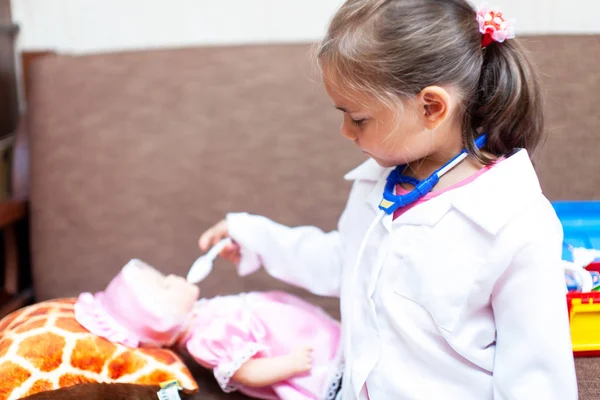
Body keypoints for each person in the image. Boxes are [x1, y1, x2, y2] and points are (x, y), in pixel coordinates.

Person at [199, 1, 578, 399]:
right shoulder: (378, 185)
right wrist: (256, 237)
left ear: (431, 107)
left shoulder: (515, 224)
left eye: (358, 118)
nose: (345, 131)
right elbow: (346, 263)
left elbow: (538, 381)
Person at [75, 259, 343, 400]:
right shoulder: (208, 339)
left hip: (310, 335)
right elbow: (246, 372)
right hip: (308, 364)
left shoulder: (203, 314)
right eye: (166, 285)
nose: (173, 277)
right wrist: (290, 364)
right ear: (163, 320)